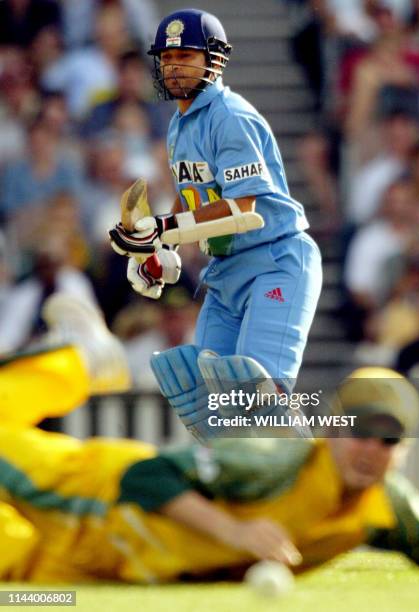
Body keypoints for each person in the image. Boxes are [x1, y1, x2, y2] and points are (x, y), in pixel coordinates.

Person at [1, 352, 419, 583]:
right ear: (331, 427)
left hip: (106, 566)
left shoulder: (386, 508)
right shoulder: (276, 460)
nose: (371, 450)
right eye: (359, 431)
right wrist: (235, 533)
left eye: (388, 440)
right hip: (91, 500)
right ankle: (76, 364)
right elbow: (145, 478)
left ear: (404, 450)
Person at [109, 8, 323, 441]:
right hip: (224, 272)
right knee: (210, 400)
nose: (173, 67)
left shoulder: (230, 116)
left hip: (274, 260)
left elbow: (239, 206)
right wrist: (160, 253)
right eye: (167, 58)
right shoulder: (179, 125)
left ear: (214, 60)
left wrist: (163, 227)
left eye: (186, 56)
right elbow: (191, 198)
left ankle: (319, 480)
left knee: (259, 396)